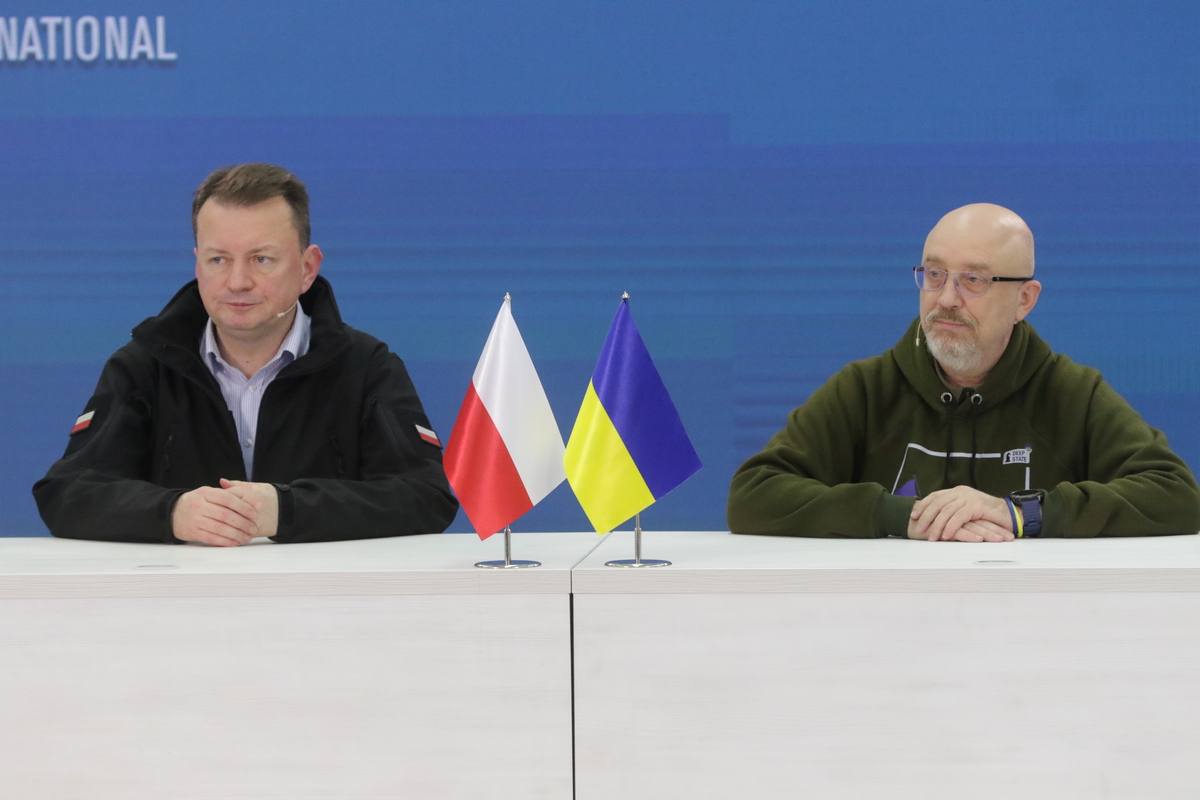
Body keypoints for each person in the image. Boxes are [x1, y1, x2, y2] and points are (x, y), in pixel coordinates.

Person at [34, 163, 458, 545]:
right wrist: (171, 513)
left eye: (261, 259)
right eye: (218, 260)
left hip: (324, 599)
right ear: (197, 264)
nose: (237, 281)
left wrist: (286, 510)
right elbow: (67, 492)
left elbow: (427, 495)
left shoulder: (366, 367)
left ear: (307, 268)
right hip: (182, 599)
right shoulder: (144, 365)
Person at [728, 203, 1200, 541]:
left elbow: (1176, 496)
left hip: (1037, 628)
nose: (947, 299)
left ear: (1025, 300)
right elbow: (754, 494)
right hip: (887, 626)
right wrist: (901, 516)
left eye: (973, 280)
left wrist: (1022, 514)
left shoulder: (1071, 393)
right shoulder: (867, 389)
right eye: (934, 275)